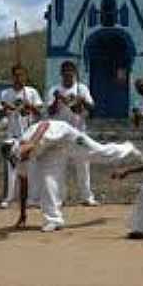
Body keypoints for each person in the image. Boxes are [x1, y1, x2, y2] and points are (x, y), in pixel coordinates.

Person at [1, 120, 143, 232]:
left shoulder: (28, 137)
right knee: (47, 180)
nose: (22, 159)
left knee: (99, 153)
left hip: (66, 136)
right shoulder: (19, 161)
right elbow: (23, 185)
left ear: (20, 147)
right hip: (49, 152)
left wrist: (32, 143)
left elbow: (44, 124)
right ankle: (54, 220)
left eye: (21, 155)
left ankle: (127, 147)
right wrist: (23, 215)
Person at [46, 61, 98, 206]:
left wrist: (82, 100)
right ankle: (60, 198)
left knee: (83, 165)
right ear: (61, 73)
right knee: (60, 166)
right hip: (60, 134)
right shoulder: (54, 90)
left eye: (71, 71)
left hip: (79, 132)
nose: (68, 74)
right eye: (65, 71)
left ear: (75, 73)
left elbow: (92, 108)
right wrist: (57, 99)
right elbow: (50, 111)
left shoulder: (81, 88)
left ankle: (87, 197)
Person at [0, 64, 43, 209]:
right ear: (12, 77)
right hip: (12, 135)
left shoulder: (31, 92)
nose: (19, 78)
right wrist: (6, 108)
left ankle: (32, 198)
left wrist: (29, 106)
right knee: (11, 168)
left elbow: (40, 113)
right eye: (16, 75)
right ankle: (8, 198)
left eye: (22, 75)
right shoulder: (6, 93)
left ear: (25, 76)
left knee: (31, 167)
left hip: (28, 135)